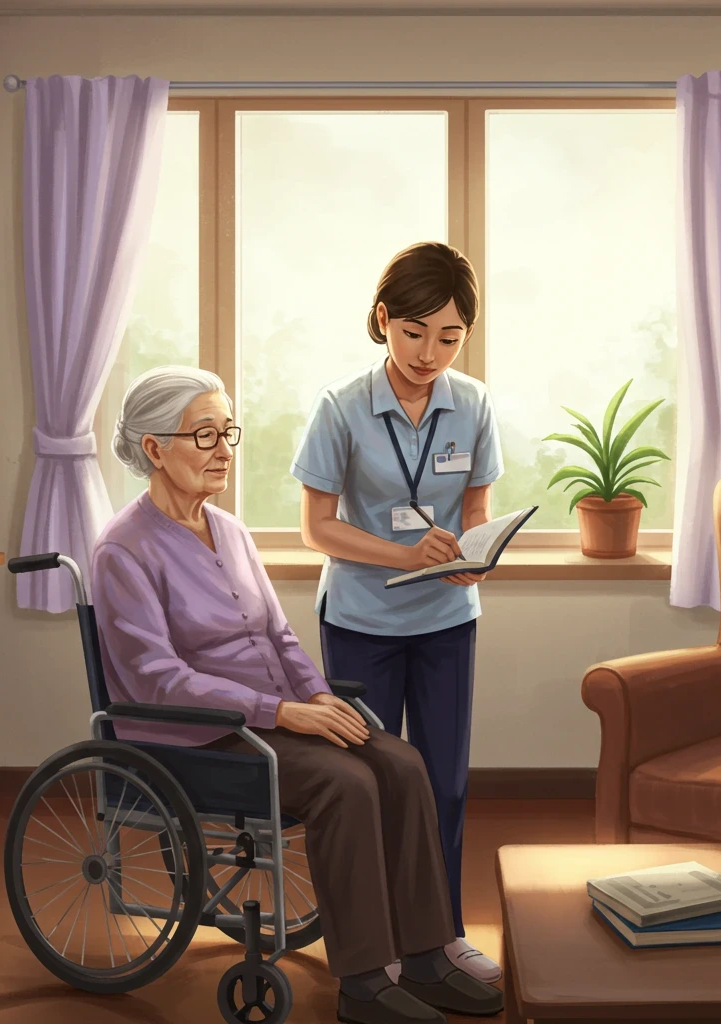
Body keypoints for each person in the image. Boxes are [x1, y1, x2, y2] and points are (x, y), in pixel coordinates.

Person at [90, 365, 504, 1024]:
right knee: (347, 783)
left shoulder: (230, 530)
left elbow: (279, 637)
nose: (224, 449)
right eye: (204, 435)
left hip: (272, 721)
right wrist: (283, 711)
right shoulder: (123, 550)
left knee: (399, 761)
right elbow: (158, 680)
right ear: (153, 448)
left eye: (227, 432)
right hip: (196, 740)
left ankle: (426, 953)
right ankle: (366, 981)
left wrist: (318, 697)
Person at [292, 242, 504, 984]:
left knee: (442, 783)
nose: (428, 353)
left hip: (448, 620)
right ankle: (372, 948)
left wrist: (472, 552)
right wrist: (402, 555)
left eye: (449, 337)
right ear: (383, 320)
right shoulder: (341, 407)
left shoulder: (473, 404)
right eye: (414, 332)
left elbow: (474, 505)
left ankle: (439, 937)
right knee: (369, 787)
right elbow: (317, 528)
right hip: (361, 625)